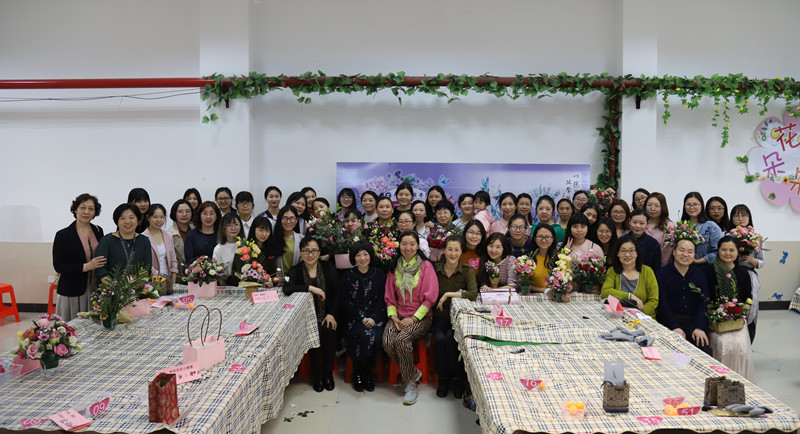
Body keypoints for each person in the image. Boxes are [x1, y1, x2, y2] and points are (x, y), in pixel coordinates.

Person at [383, 231, 438, 405]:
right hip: (399, 314)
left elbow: (430, 298)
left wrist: (413, 319)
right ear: (399, 246)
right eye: (404, 244)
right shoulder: (394, 267)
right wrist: (393, 317)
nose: (408, 248)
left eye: (412, 244)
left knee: (401, 340)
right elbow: (390, 297)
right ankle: (412, 372)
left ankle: (409, 384)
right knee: (387, 341)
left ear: (418, 246)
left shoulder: (426, 267)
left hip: (421, 317)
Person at [284, 237, 340, 392]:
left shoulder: (328, 268)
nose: (310, 254)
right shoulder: (296, 270)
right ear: (301, 252)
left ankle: (328, 372)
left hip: (327, 314)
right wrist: (310, 288)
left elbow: (338, 294)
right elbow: (287, 288)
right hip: (305, 318)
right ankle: (317, 374)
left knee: (328, 331)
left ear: (319, 252)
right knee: (314, 332)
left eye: (314, 251)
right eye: (306, 251)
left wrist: (331, 314)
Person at [433, 235, 478, 399]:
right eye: (449, 249)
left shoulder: (467, 270)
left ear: (461, 251)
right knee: (440, 340)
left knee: (451, 339)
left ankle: (458, 379)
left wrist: (448, 294)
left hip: (460, 319)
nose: (453, 253)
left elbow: (473, 294)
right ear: (444, 250)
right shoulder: (435, 269)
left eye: (456, 250)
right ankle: (443, 380)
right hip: (440, 316)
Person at [702, 236, 753, 379]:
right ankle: (719, 378)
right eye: (724, 249)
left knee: (740, 344)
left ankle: (738, 379)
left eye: (732, 250)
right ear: (718, 251)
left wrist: (741, 311)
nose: (728, 253)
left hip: (737, 318)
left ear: (737, 252)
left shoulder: (743, 273)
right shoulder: (708, 271)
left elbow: (748, 298)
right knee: (722, 342)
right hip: (715, 317)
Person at [341, 240, 387, 392]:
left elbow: (382, 300)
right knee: (364, 335)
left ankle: (365, 372)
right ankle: (359, 373)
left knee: (375, 336)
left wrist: (373, 317)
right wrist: (361, 318)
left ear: (370, 256)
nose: (362, 258)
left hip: (376, 317)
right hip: (354, 318)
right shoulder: (348, 275)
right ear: (353, 258)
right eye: (358, 255)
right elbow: (346, 302)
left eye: (365, 254)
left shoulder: (379, 274)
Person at [52, 193, 105, 321]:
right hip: (72, 290)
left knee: (93, 327)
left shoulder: (98, 231)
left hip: (95, 289)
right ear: (75, 210)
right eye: (83, 207)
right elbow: (59, 266)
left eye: (91, 209)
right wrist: (86, 267)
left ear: (95, 212)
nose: (86, 212)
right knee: (71, 327)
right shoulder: (63, 235)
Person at [656, 238, 711, 355]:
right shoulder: (662, 274)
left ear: (694, 255)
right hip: (669, 320)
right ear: (674, 252)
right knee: (669, 350)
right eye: (682, 250)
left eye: (690, 251)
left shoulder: (700, 275)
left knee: (702, 347)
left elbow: (704, 303)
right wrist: (674, 327)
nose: (685, 254)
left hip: (693, 320)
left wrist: (699, 327)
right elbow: (662, 304)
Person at [601, 234, 659, 319]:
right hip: (618, 317)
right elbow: (605, 292)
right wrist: (629, 296)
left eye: (631, 251)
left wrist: (638, 314)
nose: (627, 255)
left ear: (637, 253)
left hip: (643, 318)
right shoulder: (612, 271)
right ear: (617, 253)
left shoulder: (647, 271)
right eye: (623, 251)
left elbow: (653, 300)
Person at [730, 204, 763, 343]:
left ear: (749, 218)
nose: (740, 218)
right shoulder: (728, 236)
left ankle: (748, 341)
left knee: (750, 308)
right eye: (736, 215)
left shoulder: (756, 238)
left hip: (749, 275)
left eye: (743, 215)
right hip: (731, 275)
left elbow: (761, 262)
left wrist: (751, 260)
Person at [95, 204, 152, 281]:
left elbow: (147, 267)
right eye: (122, 218)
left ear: (138, 219)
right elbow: (100, 269)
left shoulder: (144, 241)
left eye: (131, 218)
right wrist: (112, 285)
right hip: (111, 287)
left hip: (137, 286)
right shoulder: (107, 240)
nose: (127, 221)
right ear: (117, 221)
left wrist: (136, 283)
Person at [142, 204, 178, 290]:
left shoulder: (168, 236)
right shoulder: (142, 237)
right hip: (151, 284)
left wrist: (172, 283)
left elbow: (173, 261)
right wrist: (160, 279)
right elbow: (146, 264)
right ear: (148, 217)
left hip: (169, 281)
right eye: (155, 217)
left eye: (162, 217)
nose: (159, 220)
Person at [681, 192, 723, 265]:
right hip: (684, 266)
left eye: (695, 204)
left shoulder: (712, 226)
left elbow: (719, 251)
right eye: (688, 204)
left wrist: (699, 261)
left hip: (706, 267)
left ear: (701, 206)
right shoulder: (681, 227)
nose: (691, 207)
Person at [268, 206, 303, 272]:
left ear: (296, 220)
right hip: (275, 277)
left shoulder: (301, 239)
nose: (288, 222)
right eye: (285, 218)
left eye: (292, 218)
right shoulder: (273, 238)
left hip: (295, 277)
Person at [212, 213, 245, 285]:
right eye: (229, 225)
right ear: (223, 228)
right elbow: (217, 274)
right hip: (226, 285)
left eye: (236, 224)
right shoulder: (218, 248)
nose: (233, 228)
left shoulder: (245, 246)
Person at [644, 193, 675, 267]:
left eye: (657, 206)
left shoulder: (669, 226)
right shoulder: (641, 223)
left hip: (660, 266)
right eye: (649, 205)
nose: (652, 208)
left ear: (663, 207)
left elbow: (667, 252)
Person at [530, 224, 557, 293]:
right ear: (535, 238)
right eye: (540, 237)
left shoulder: (561, 258)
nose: (544, 240)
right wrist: (545, 290)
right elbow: (524, 285)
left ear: (553, 239)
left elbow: (570, 284)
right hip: (536, 296)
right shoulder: (528, 259)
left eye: (547, 237)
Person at [166, 199, 192, 268]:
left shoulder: (196, 230)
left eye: (187, 211)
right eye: (180, 212)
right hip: (176, 272)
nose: (184, 214)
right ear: (174, 213)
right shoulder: (168, 234)